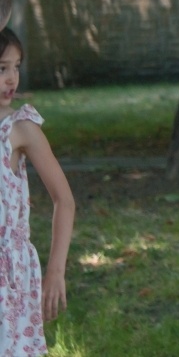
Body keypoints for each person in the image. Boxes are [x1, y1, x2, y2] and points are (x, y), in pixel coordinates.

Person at [0, 28, 75, 356]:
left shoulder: (19, 129)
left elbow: (64, 200)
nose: (11, 78)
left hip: (10, 278)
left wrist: (56, 271)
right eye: (1, 68)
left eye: (16, 66)